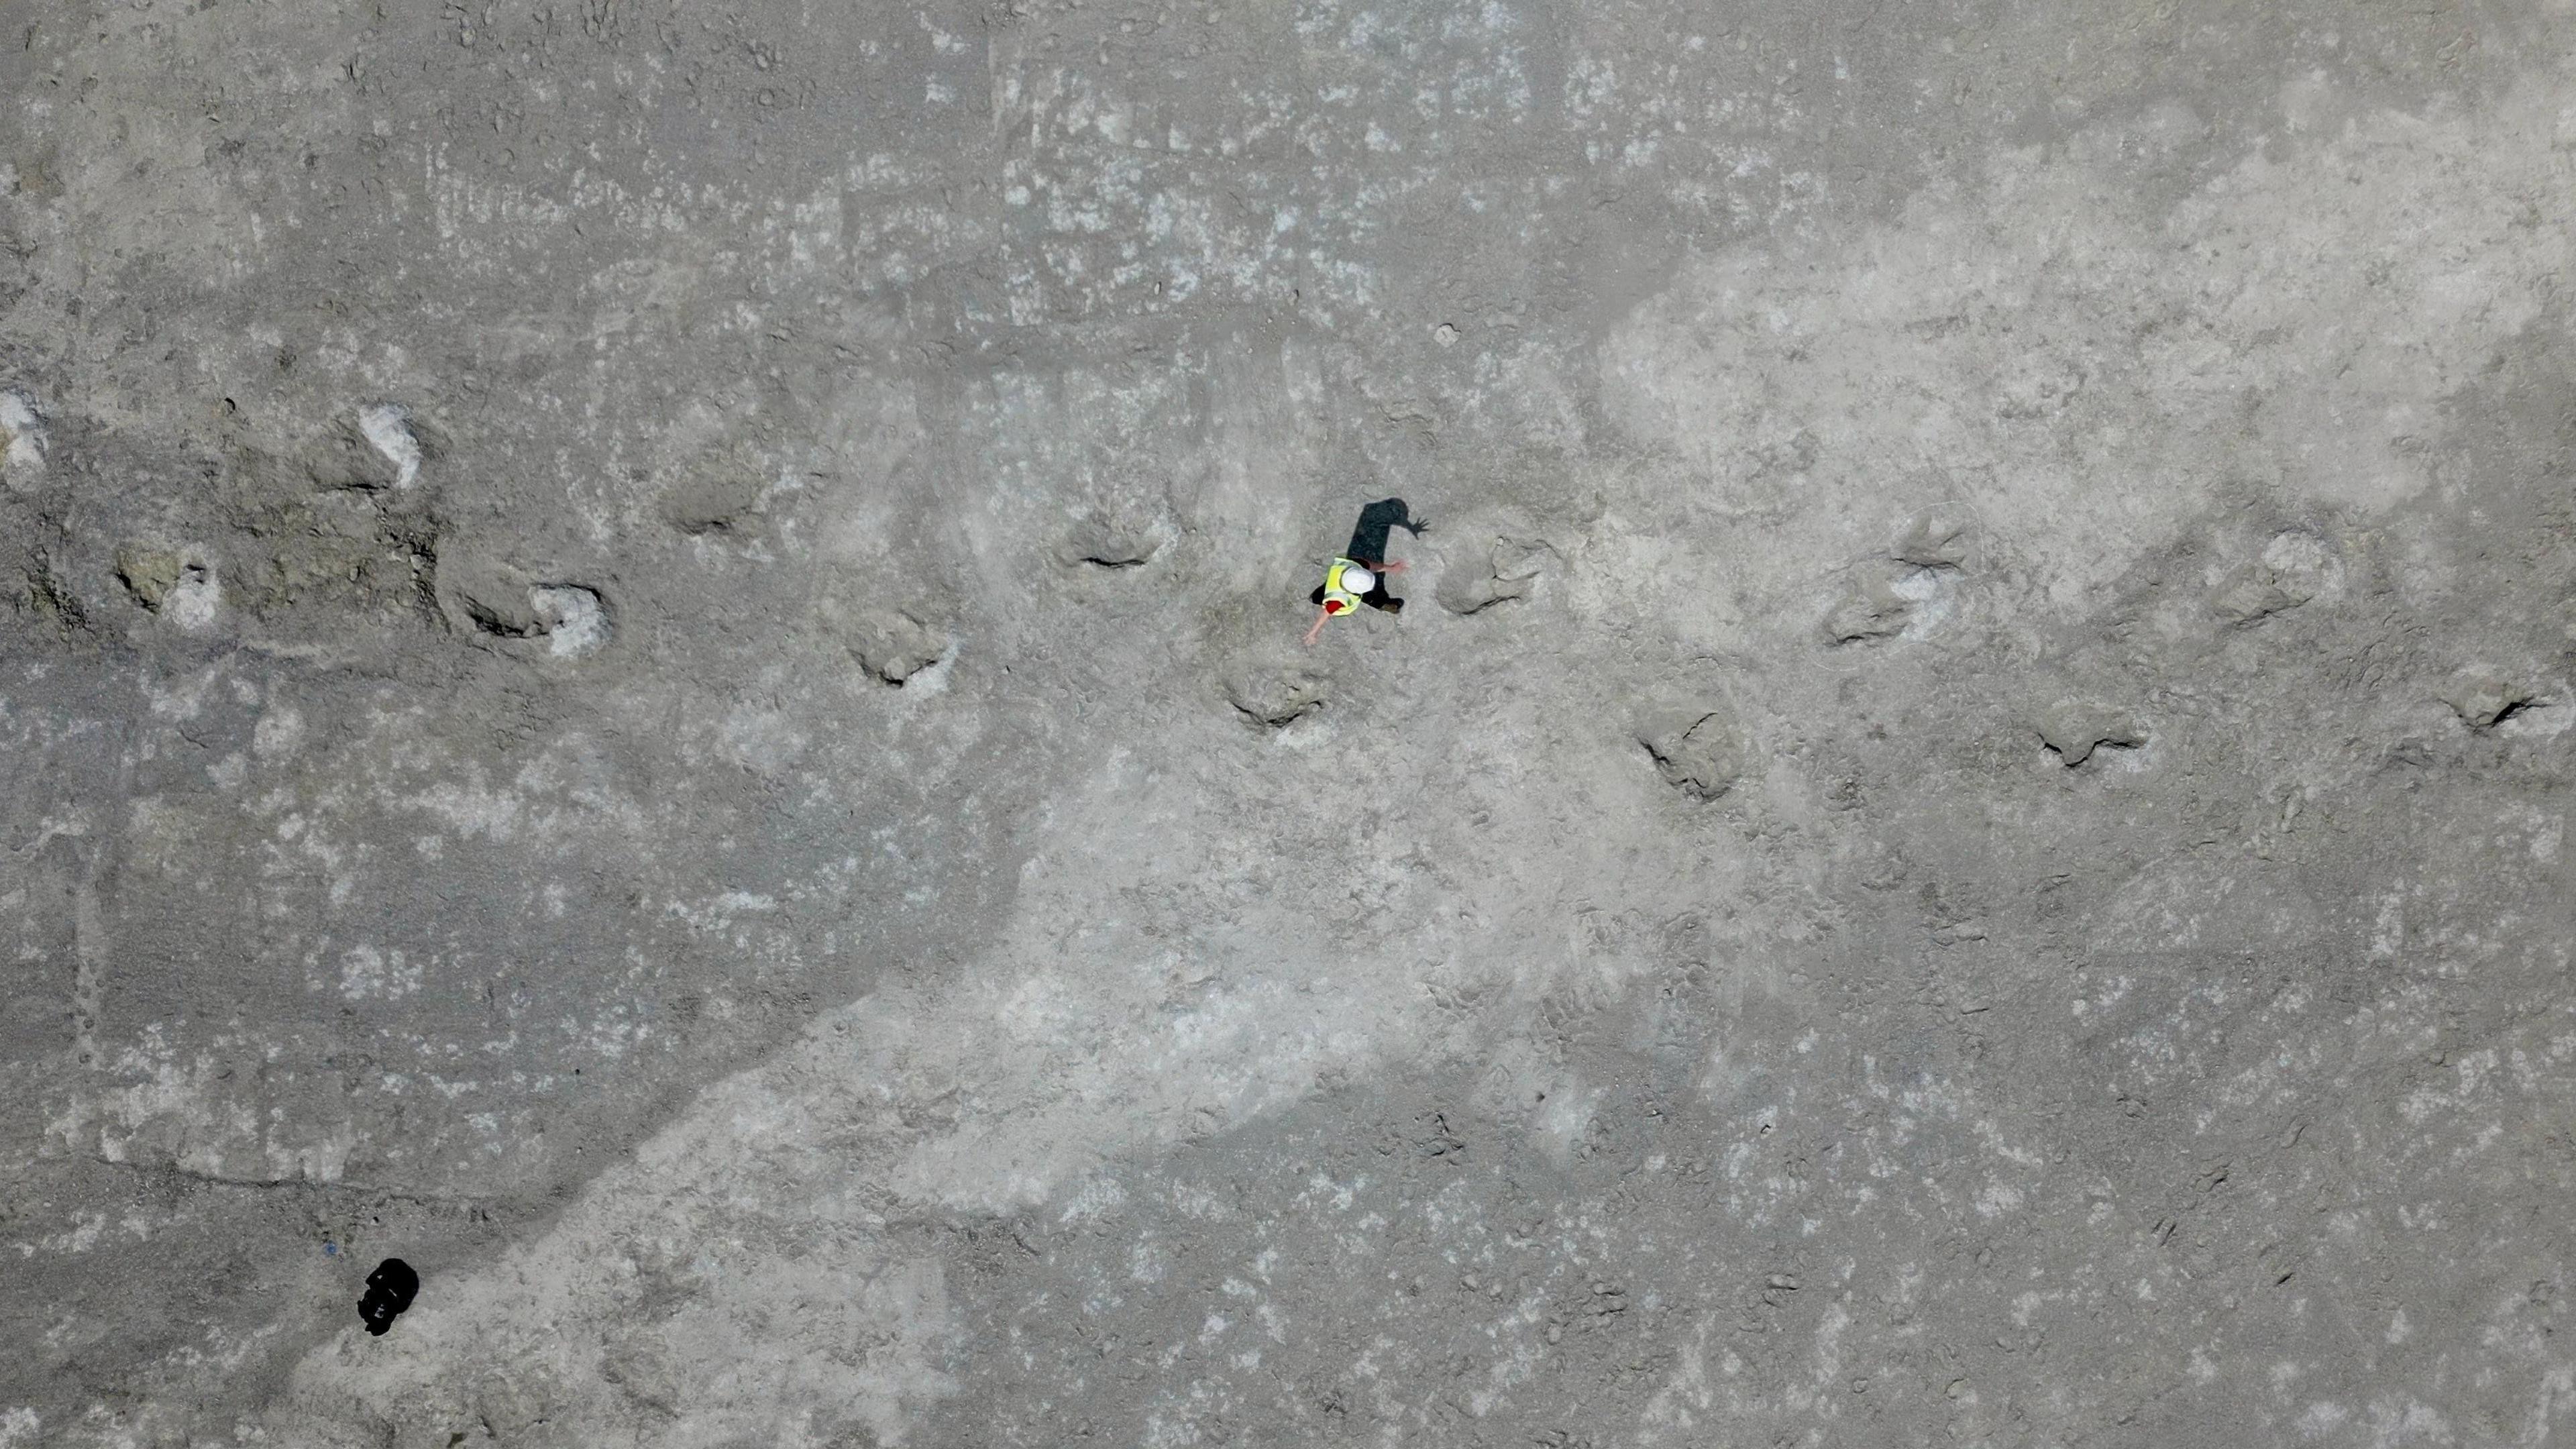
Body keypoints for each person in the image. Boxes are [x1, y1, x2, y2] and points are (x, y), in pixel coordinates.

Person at [1302, 498, 1428, 646]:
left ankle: (1316, 599)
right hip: (1342, 599)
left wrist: (1314, 633)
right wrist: (1313, 633)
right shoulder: (1351, 575)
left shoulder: (1347, 577)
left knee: (1321, 595)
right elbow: (1326, 613)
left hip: (1336, 589)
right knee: (1367, 596)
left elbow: (1327, 612)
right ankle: (1380, 603)